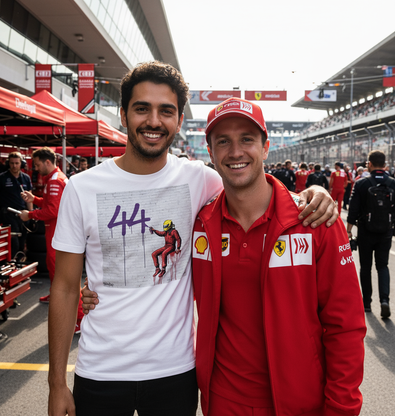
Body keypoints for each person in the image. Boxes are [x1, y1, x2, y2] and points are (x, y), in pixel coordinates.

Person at [52, 61, 338, 416]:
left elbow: (254, 187)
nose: (154, 121)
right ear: (123, 115)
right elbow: (64, 288)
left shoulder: (201, 179)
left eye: (165, 111)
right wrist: (56, 384)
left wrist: (311, 193)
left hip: (175, 372)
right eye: (142, 108)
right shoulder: (81, 188)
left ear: (179, 120)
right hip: (100, 370)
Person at [192, 98, 365, 416]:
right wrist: (96, 290)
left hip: (301, 403)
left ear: (266, 147)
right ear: (211, 152)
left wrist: (342, 408)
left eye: (247, 139)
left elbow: (345, 326)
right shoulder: (198, 222)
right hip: (221, 401)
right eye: (223, 142)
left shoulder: (316, 220)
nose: (235, 152)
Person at [18, 148, 84, 331]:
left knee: (66, 277)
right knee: (54, 268)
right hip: (57, 233)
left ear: (48, 162)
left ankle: (80, 320)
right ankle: (55, 295)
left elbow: (53, 211)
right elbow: (53, 203)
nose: (36, 168)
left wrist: (29, 214)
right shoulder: (56, 178)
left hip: (59, 234)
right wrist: (35, 199)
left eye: (38, 164)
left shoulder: (55, 180)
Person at [347, 150, 394, 319]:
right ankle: (384, 300)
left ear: (370, 164)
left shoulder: (361, 183)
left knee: (365, 267)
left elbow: (353, 209)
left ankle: (366, 303)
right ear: (385, 164)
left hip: (366, 232)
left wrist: (349, 230)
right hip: (386, 232)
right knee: (383, 266)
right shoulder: (392, 183)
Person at [0, 151, 33, 257]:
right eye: (12, 163)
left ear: (21, 163)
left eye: (17, 163)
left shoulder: (26, 178)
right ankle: (12, 264)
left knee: (22, 244)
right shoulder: (1, 177)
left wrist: (31, 215)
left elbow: (30, 199)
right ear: (8, 163)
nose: (14, 166)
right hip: (8, 215)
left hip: (23, 215)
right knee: (14, 244)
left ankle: (19, 264)